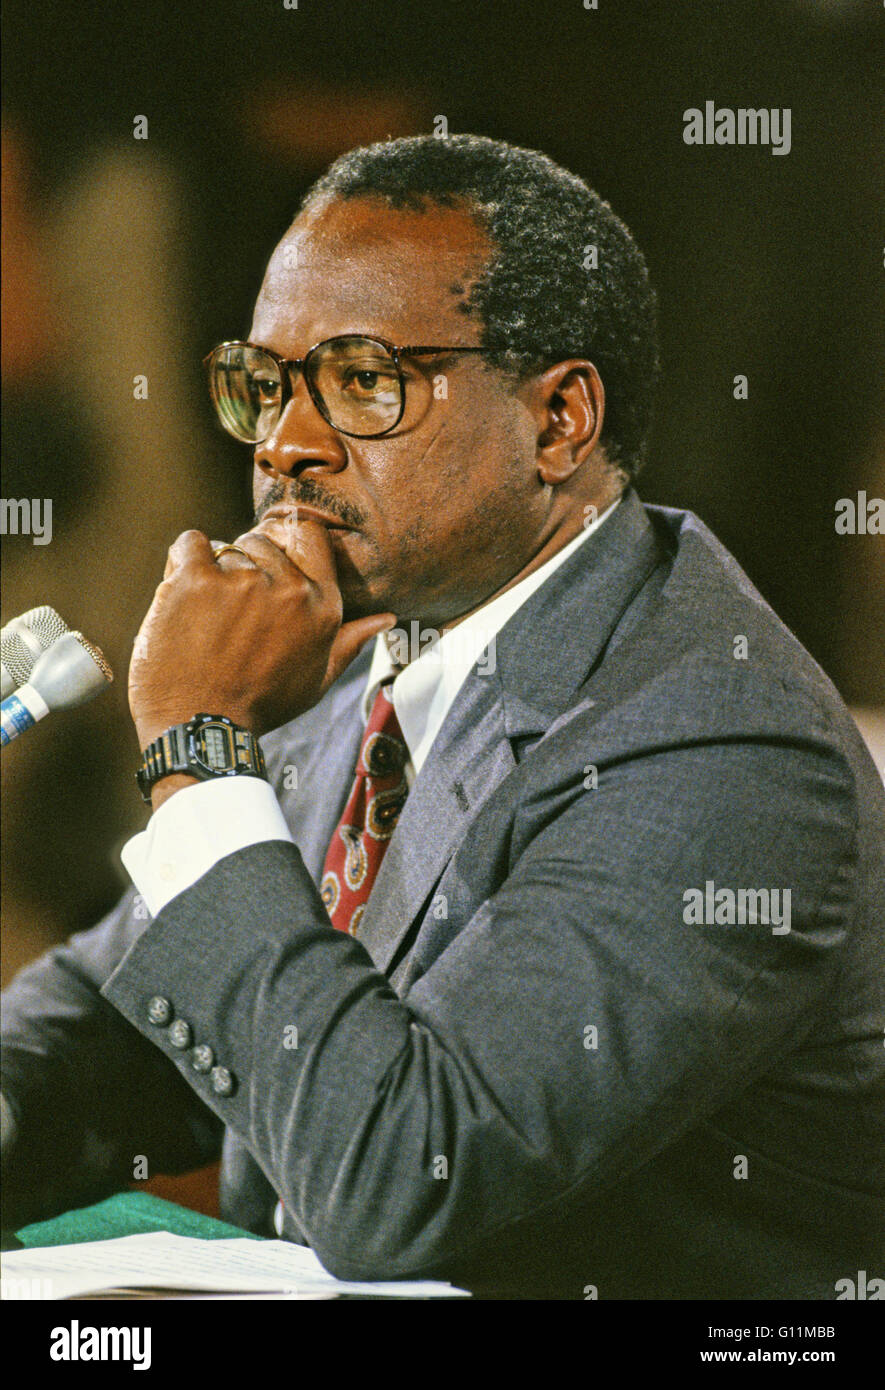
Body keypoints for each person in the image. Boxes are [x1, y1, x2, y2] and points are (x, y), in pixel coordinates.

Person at [2, 134, 883, 1299]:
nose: (284, 445)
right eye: (265, 383)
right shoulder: (384, 651)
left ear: (558, 421)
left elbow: (398, 1179)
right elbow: (121, 1022)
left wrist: (200, 754)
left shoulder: (718, 744)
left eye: (362, 381)